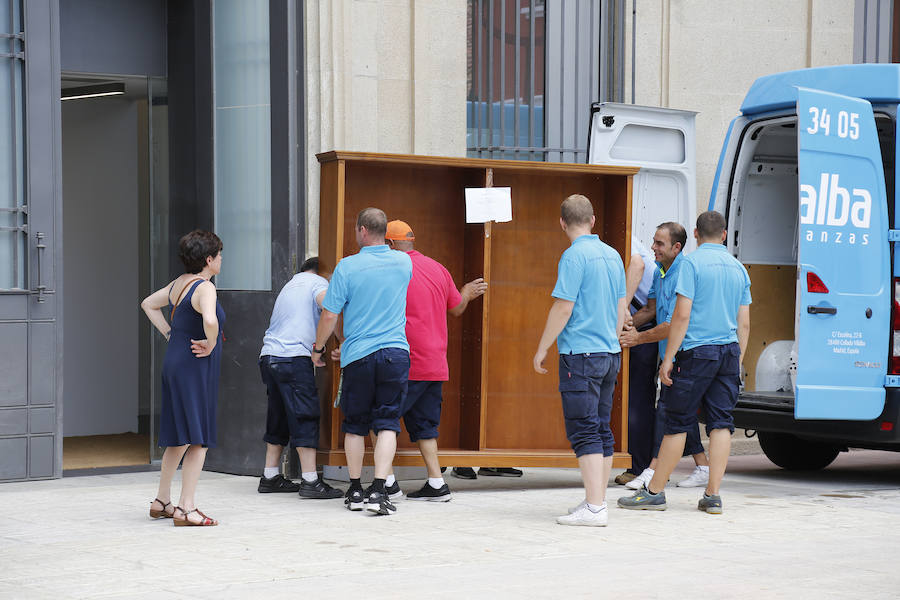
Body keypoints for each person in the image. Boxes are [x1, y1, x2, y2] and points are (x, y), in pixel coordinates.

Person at [618, 211, 750, 514]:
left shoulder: (691, 264)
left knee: (676, 423)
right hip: (728, 351)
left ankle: (654, 492)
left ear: (696, 233)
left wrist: (668, 358)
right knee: (721, 425)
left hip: (695, 352)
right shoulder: (738, 268)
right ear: (725, 235)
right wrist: (737, 358)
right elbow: (744, 323)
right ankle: (713, 495)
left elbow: (681, 315)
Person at [533, 194, 626, 527]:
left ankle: (596, 507)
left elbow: (563, 307)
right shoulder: (613, 255)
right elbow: (621, 308)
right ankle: (595, 501)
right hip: (609, 353)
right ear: (593, 220)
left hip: (580, 356)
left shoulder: (573, 257)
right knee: (601, 429)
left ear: (562, 223)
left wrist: (543, 347)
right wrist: (612, 342)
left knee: (584, 431)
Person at [312, 208, 412, 516]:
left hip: (358, 356)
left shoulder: (347, 267)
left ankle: (354, 488)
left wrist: (318, 348)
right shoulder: (403, 262)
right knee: (387, 424)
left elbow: (330, 314)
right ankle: (379, 489)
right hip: (395, 352)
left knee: (354, 425)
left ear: (362, 231)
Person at [378, 220, 488, 501]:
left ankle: (387, 482)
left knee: (380, 419)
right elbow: (456, 308)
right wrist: (465, 293)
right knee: (426, 427)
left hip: (406, 360)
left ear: (389, 244)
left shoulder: (392, 269)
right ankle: (437, 483)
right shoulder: (437, 268)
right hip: (435, 363)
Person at [140, 230, 225, 527]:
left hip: (174, 362)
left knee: (178, 435)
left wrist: (169, 333)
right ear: (209, 259)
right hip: (194, 365)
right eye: (220, 255)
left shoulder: (179, 284)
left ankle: (162, 500)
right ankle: (187, 508)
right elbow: (210, 321)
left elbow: (148, 304)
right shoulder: (205, 287)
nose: (221, 260)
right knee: (198, 438)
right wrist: (211, 343)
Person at [619, 223, 710, 491]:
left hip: (686, 352)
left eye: (659, 244)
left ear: (676, 247)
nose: (653, 248)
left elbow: (671, 324)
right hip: (669, 353)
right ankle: (702, 465)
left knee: (667, 411)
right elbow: (650, 309)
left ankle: (653, 470)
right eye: (654, 242)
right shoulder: (661, 270)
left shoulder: (684, 271)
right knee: (679, 412)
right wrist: (622, 327)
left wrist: (637, 338)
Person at [257, 257, 343, 499]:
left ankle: (270, 475)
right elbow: (331, 308)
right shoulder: (317, 282)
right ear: (322, 272)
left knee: (279, 415)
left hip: (269, 356)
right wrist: (328, 345)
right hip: (293, 358)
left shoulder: (291, 284)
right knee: (305, 414)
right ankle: (310, 480)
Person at [614, 233, 660, 486]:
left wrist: (622, 311)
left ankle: (640, 467)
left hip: (643, 330)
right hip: (636, 323)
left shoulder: (626, 238)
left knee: (637, 403)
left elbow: (638, 265)